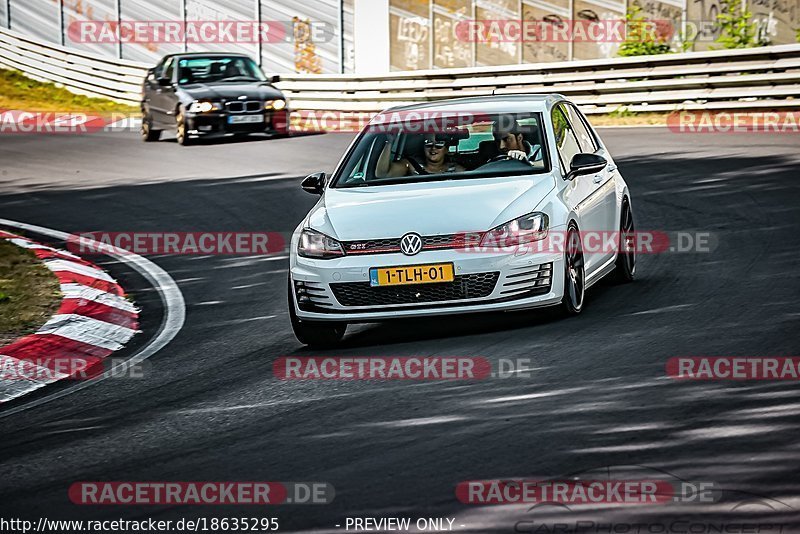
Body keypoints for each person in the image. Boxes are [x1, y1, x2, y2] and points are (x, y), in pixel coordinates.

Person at [377, 133, 465, 177]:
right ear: (423, 147)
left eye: (439, 145)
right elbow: (382, 174)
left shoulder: (456, 170)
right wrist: (389, 142)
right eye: (428, 144)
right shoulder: (410, 165)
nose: (433, 148)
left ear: (446, 149)